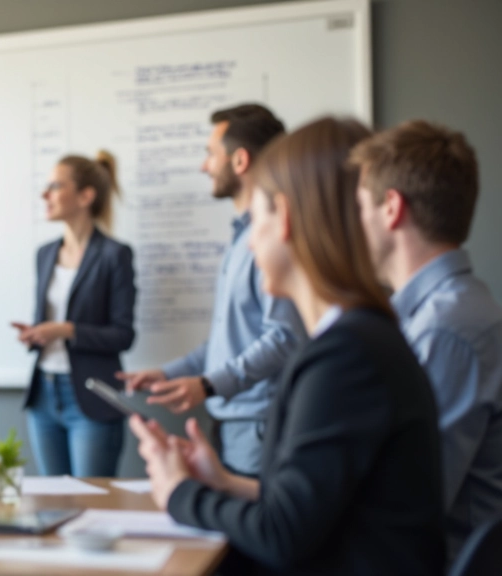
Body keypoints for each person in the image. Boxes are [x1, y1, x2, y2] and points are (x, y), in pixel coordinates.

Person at [130, 117, 445, 575]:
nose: (251, 240)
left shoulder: (347, 356)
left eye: (257, 218)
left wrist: (179, 492)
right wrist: (224, 483)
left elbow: (281, 535)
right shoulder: (359, 339)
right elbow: (311, 506)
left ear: (286, 220)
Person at [120, 104, 305, 476]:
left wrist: (207, 383)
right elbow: (227, 341)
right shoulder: (241, 240)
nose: (204, 166)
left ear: (240, 160)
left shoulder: (273, 239)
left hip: (258, 427)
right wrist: (169, 372)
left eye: (210, 154)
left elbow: (285, 337)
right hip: (227, 422)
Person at [351, 120, 502, 561]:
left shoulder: (447, 329)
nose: (354, 226)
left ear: (391, 208)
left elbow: (408, 499)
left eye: (361, 207)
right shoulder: (446, 311)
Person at [10, 151, 136, 477]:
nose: (44, 194)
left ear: (85, 195)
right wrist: (36, 334)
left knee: (91, 503)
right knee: (53, 502)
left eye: (55, 185)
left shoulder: (114, 255)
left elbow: (123, 335)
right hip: (43, 396)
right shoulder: (45, 254)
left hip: (91, 397)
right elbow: (46, 322)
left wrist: (66, 330)